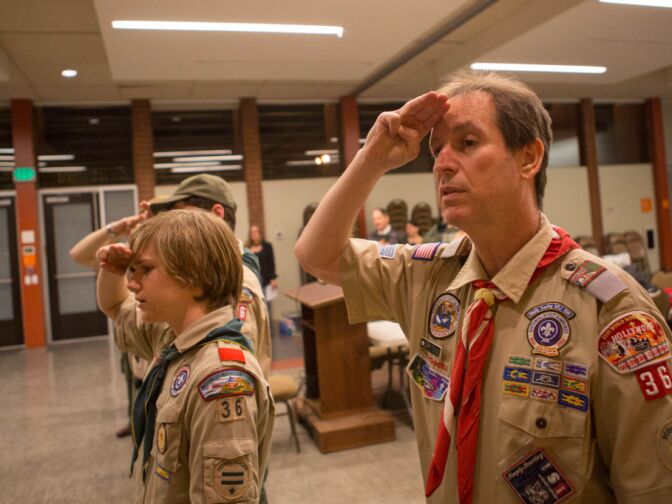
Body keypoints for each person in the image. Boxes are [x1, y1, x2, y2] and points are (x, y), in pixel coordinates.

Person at [295, 71, 672, 503]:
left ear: (529, 158)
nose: (440, 163)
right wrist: (373, 158)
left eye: (467, 143)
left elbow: (652, 489)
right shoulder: (430, 276)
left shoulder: (610, 306)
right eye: (437, 150)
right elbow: (316, 255)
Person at [96, 210, 274, 503]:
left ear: (195, 278)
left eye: (146, 270)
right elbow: (115, 307)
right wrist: (112, 270)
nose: (131, 283)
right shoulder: (172, 335)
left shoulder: (221, 379)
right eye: (132, 271)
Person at [149, 174, 272, 377]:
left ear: (217, 213)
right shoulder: (211, 272)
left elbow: (230, 374)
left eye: (185, 217)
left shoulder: (233, 282)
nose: (176, 228)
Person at [68, 202, 153, 438]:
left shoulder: (159, 260)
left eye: (148, 217)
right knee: (132, 379)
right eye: (140, 218)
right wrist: (114, 228)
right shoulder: (124, 256)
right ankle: (134, 420)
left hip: (151, 337)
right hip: (132, 332)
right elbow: (78, 254)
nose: (140, 221)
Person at [246, 225, 278, 320]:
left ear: (260, 233)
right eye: (252, 232)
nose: (254, 234)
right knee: (253, 306)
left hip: (264, 279)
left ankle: (270, 332)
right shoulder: (247, 248)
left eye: (256, 231)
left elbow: (271, 262)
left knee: (267, 306)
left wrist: (273, 278)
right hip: (251, 281)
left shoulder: (267, 246)